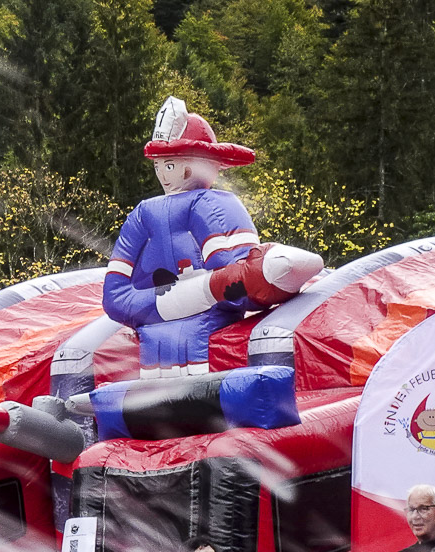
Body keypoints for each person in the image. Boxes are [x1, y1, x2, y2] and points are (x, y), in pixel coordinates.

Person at [102, 96, 322, 377]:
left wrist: (197, 293)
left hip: (197, 336)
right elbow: (114, 296)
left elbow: (239, 282)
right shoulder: (145, 213)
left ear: (199, 164)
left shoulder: (213, 205)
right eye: (159, 166)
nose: (163, 175)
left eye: (169, 165)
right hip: (166, 334)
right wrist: (197, 294)